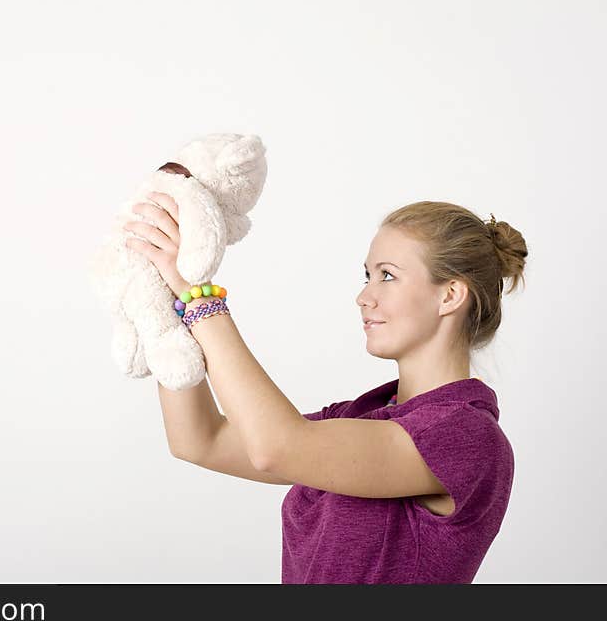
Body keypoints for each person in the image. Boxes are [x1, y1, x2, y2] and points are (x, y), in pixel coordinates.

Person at [124, 195, 528, 584]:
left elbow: (276, 448)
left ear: (450, 295)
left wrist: (197, 292)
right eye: (366, 276)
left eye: (387, 275)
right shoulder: (356, 418)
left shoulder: (465, 436)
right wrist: (163, 304)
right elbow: (200, 440)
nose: (364, 297)